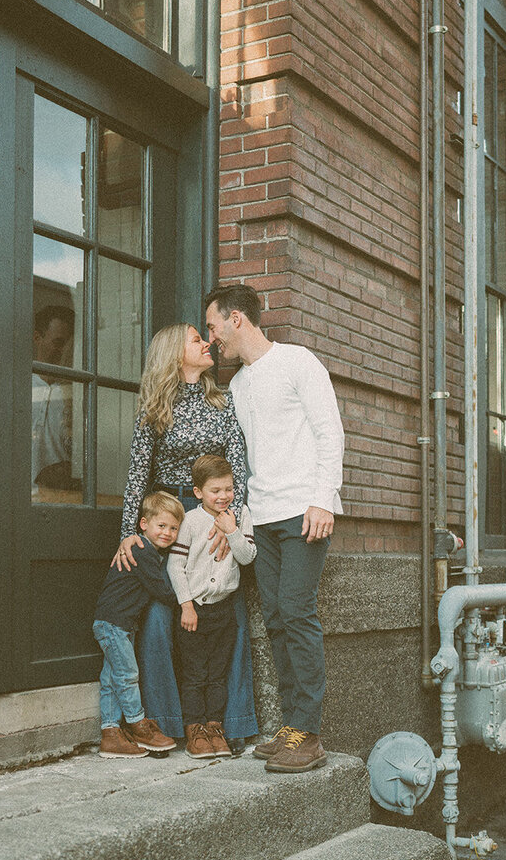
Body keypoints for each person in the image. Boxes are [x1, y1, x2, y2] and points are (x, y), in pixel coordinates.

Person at [205, 283, 345, 773]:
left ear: (237, 318)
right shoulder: (240, 385)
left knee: (296, 611)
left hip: (304, 512)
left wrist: (323, 498)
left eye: (213, 324)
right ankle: (291, 727)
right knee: (278, 620)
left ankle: (308, 734)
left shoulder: (298, 362)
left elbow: (330, 430)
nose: (211, 335)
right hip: (261, 518)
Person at [113, 323, 257, 751]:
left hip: (215, 517)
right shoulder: (156, 409)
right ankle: (170, 723)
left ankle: (227, 722)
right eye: (197, 339)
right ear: (176, 354)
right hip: (168, 521)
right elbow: (138, 474)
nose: (207, 342)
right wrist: (128, 534)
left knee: (229, 616)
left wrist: (226, 517)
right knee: (161, 617)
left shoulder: (221, 401)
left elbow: (238, 465)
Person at [167, 455, 257, 759]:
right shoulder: (191, 521)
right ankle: (195, 730)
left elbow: (246, 557)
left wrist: (232, 530)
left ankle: (215, 727)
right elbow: (175, 566)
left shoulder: (240, 515)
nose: (223, 496)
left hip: (223, 611)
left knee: (218, 674)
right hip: (195, 611)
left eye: (228, 489)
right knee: (195, 674)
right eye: (215, 490)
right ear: (198, 492)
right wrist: (186, 606)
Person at [92, 491, 184, 758]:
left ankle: (110, 734)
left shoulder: (146, 550)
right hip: (114, 624)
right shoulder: (142, 551)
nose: (167, 533)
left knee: (111, 678)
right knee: (128, 675)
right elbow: (162, 589)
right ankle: (137, 724)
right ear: (144, 524)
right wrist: (186, 601)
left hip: (117, 624)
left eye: (174, 528)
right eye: (161, 526)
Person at [32, 304, 76, 495]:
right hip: (18, 498)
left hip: (62, 497)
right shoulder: (17, 388)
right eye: (58, 343)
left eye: (68, 345)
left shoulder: (77, 393)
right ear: (37, 338)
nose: (63, 351)